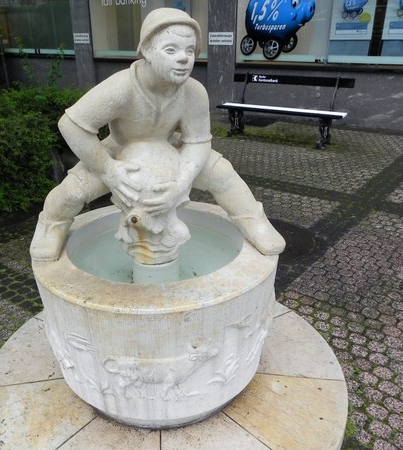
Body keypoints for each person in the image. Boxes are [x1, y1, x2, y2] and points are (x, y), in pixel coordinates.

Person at [30, 8, 285, 262]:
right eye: (171, 50)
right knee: (74, 192)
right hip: (118, 152)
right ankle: (51, 224)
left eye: (190, 50)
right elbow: (71, 124)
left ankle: (254, 221)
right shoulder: (122, 87)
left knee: (223, 173)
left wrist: (181, 184)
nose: (184, 58)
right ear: (148, 52)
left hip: (169, 147)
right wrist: (108, 169)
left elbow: (197, 144)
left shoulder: (194, 91)